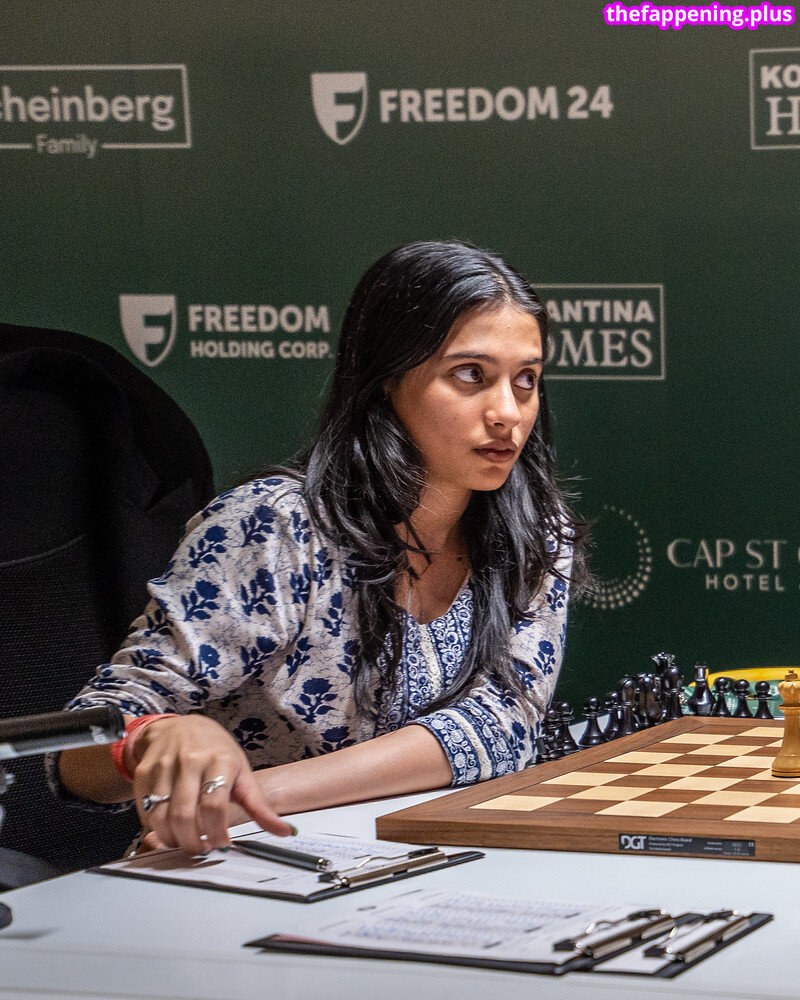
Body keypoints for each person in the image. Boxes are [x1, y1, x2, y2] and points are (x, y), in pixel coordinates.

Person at [53, 239, 585, 856]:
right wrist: (151, 739)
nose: (508, 413)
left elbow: (499, 726)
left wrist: (249, 797)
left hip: (421, 861)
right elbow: (75, 753)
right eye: (470, 375)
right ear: (385, 381)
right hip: (240, 870)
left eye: (526, 381)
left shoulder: (535, 533)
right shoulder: (273, 529)